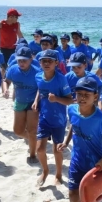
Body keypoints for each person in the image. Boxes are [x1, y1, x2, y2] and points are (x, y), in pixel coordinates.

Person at [32, 49, 73, 186]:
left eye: (50, 61)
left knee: (57, 150)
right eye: (44, 61)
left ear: (56, 63)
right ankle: (45, 170)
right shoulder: (38, 76)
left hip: (59, 120)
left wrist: (56, 99)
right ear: (40, 63)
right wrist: (36, 100)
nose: (47, 63)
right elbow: (40, 89)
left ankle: (59, 174)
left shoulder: (61, 79)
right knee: (40, 149)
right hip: (44, 118)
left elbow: (69, 100)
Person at [2, 47, 41, 163]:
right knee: (17, 131)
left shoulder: (37, 71)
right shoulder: (13, 69)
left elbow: (40, 88)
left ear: (31, 59)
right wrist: (5, 89)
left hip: (33, 103)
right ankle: (33, 139)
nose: (21, 63)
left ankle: (33, 155)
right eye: (19, 60)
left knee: (32, 130)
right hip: (19, 101)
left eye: (24, 60)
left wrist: (36, 101)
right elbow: (6, 81)